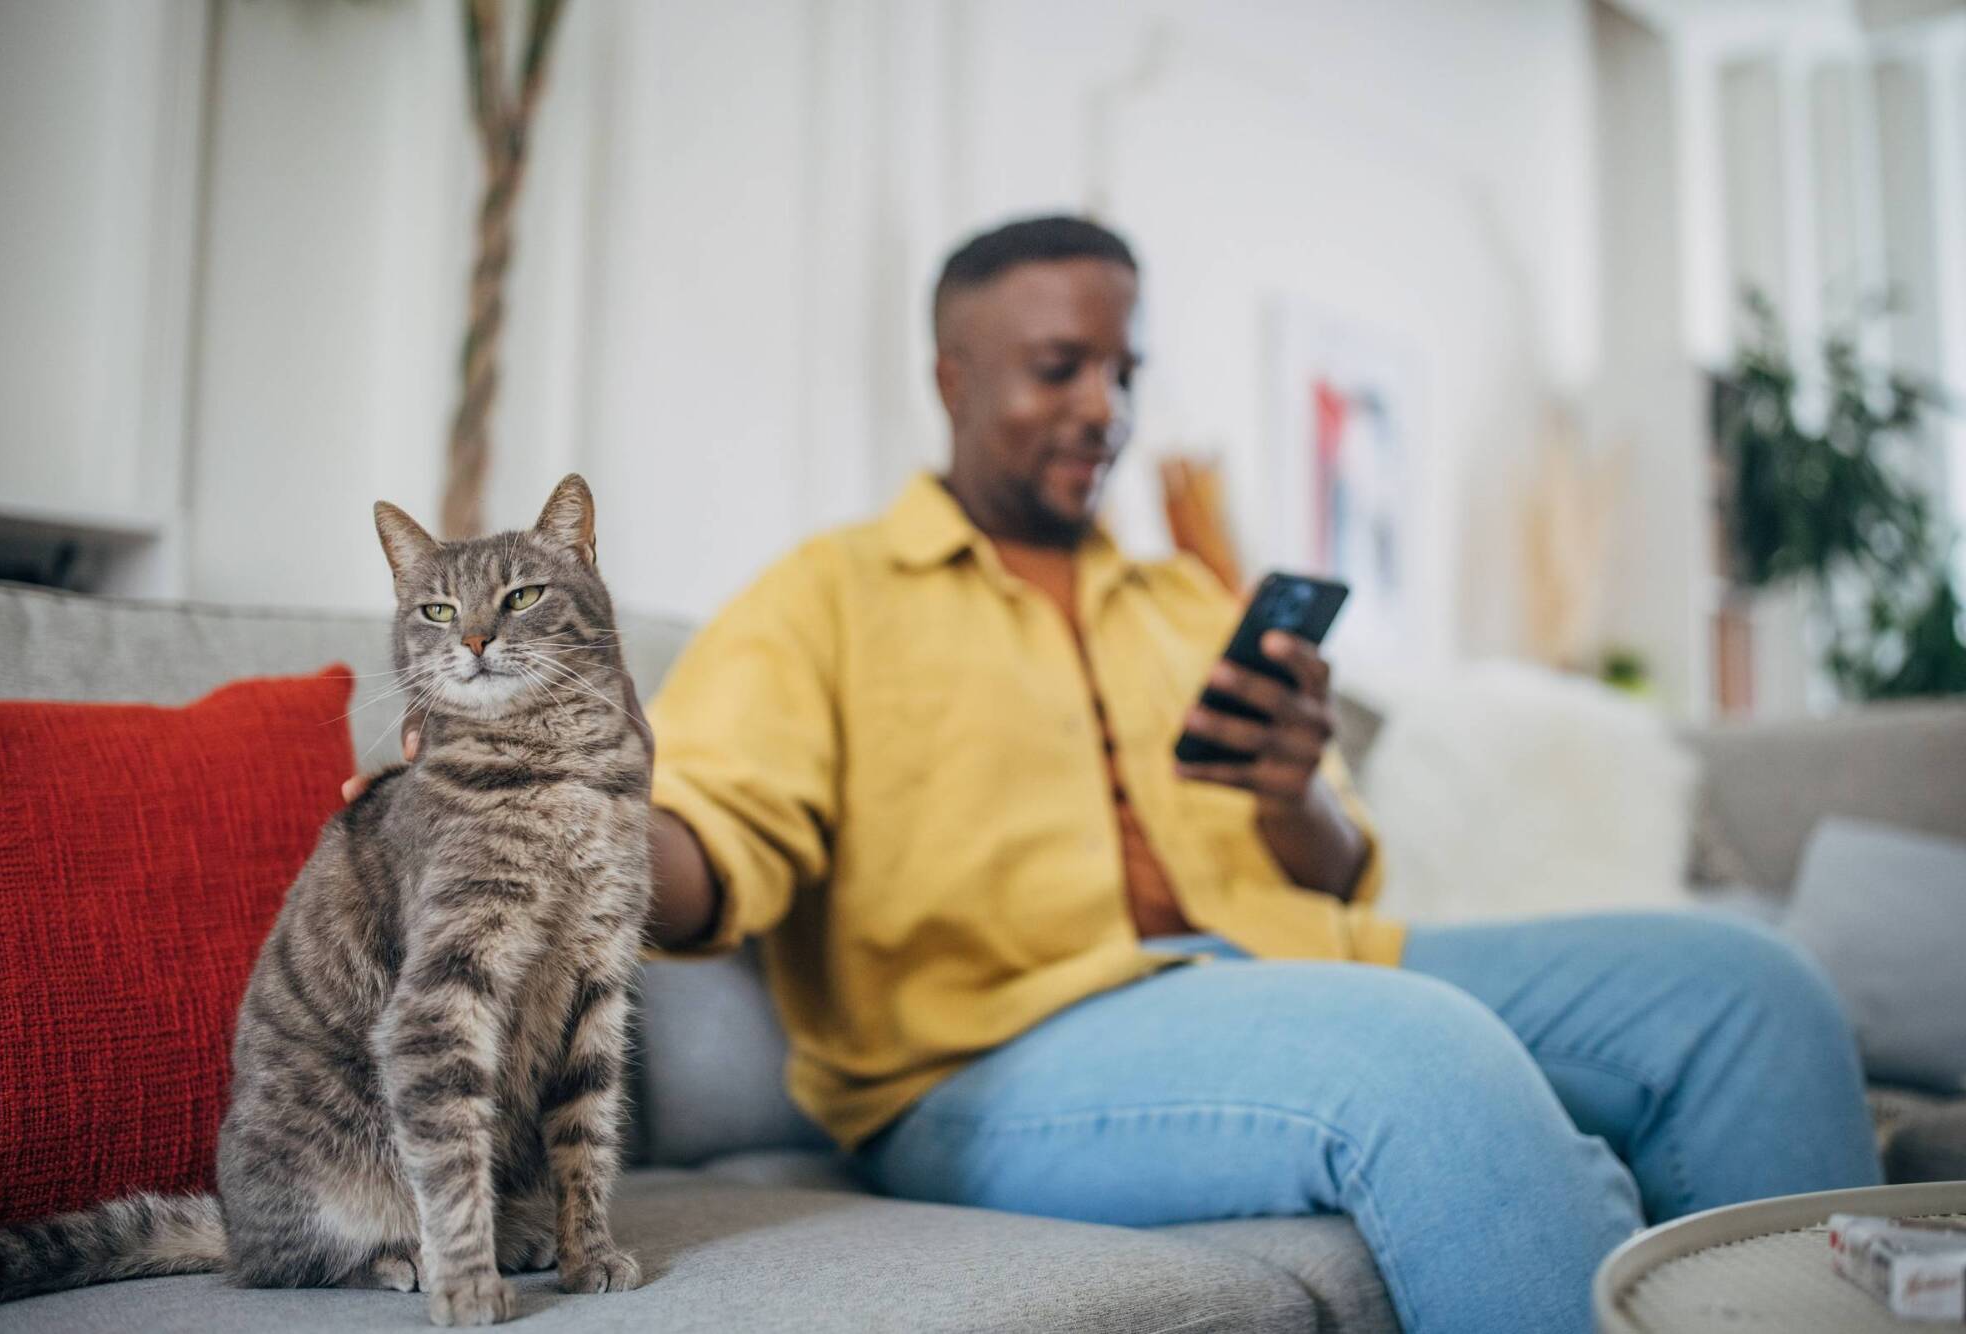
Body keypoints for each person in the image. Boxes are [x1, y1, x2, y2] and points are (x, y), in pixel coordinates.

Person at [354, 216, 1882, 1333]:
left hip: (1284, 958)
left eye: (1121, 366)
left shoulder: (1182, 600)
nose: (1103, 403)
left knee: (1751, 989)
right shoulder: (826, 594)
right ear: (951, 372)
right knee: (1420, 1062)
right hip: (995, 1050)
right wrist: (566, 787)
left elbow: (1335, 874)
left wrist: (1301, 801)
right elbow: (708, 854)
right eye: (1057, 366)